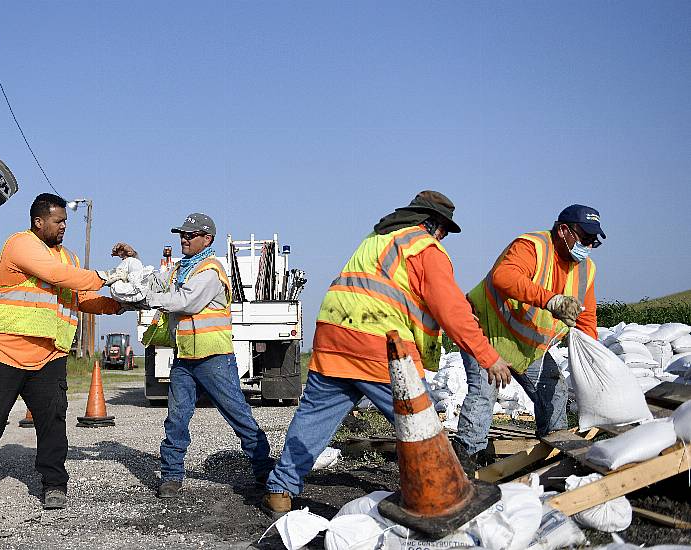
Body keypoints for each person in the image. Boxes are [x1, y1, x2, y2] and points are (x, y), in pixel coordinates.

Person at [260, 191, 513, 517]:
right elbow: (448, 308)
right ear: (432, 223)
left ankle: (280, 491)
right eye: (444, 230)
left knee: (313, 418)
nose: (444, 237)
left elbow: (399, 292)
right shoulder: (425, 247)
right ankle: (444, 497)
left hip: (333, 336)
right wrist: (487, 355)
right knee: (419, 423)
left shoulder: (376, 239)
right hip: (379, 345)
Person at [0, 193, 129, 512]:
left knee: (53, 424)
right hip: (3, 353)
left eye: (66, 222)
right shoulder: (20, 245)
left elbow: (81, 298)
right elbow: (57, 276)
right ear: (38, 221)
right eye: (58, 221)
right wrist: (106, 277)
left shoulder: (69, 258)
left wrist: (117, 304)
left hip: (48, 356)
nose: (63, 227)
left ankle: (54, 485)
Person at [112, 212, 275, 499]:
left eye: (190, 235)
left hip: (214, 359)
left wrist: (144, 299)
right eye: (181, 235)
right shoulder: (181, 269)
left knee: (239, 416)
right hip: (185, 358)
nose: (184, 239)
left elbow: (184, 301)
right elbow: (155, 282)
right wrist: (133, 260)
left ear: (207, 238)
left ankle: (266, 473)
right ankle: (171, 477)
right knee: (176, 419)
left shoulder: (209, 271)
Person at [455, 204, 603, 466]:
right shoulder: (533, 246)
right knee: (484, 393)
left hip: (526, 346)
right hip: (485, 333)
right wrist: (551, 301)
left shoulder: (586, 270)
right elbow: (504, 276)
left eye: (594, 242)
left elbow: (586, 318)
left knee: (554, 389)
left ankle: (554, 452)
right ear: (564, 230)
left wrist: (593, 361)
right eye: (585, 238)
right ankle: (466, 457)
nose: (588, 246)